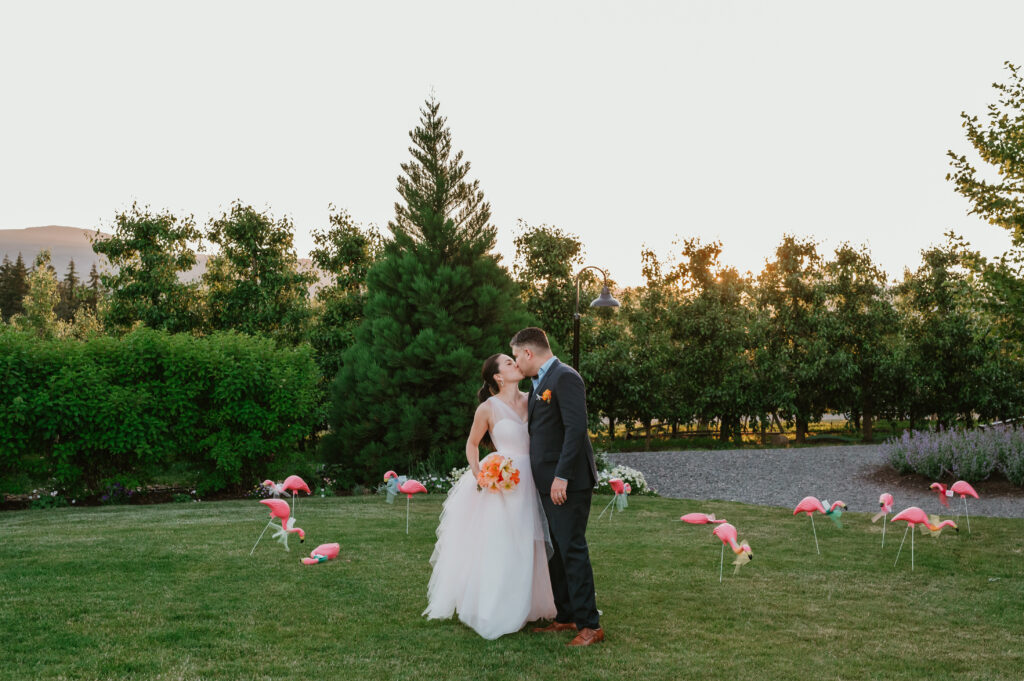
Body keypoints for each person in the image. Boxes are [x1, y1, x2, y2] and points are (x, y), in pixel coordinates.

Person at [423, 353, 556, 639]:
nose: (516, 363)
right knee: (501, 542)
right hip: (501, 483)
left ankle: (530, 604)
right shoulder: (487, 408)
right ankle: (496, 607)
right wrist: (478, 474)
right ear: (497, 376)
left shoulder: (534, 398)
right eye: (508, 362)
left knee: (528, 542)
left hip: (531, 479)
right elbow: (472, 445)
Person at [510, 326, 604, 647]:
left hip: (568, 483)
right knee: (558, 554)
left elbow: (576, 428)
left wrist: (561, 476)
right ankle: (565, 616)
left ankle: (590, 625)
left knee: (572, 550)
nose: (515, 364)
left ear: (528, 352)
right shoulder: (540, 384)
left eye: (515, 356)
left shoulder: (565, 377)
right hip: (548, 485)